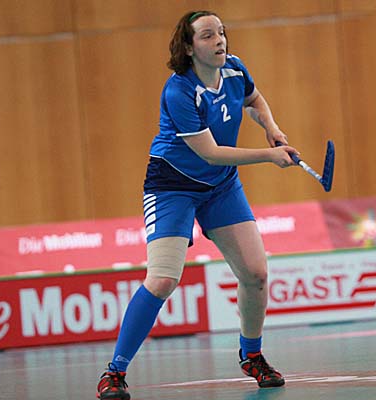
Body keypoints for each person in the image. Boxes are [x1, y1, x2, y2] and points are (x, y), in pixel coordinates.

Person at [96, 10, 298, 400]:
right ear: (188, 48)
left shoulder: (235, 69)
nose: (219, 40)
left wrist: (271, 128)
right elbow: (210, 152)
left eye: (221, 33)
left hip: (220, 187)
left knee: (256, 273)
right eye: (207, 35)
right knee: (163, 279)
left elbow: (254, 99)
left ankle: (252, 355)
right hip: (172, 186)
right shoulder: (179, 91)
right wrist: (269, 156)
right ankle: (115, 372)